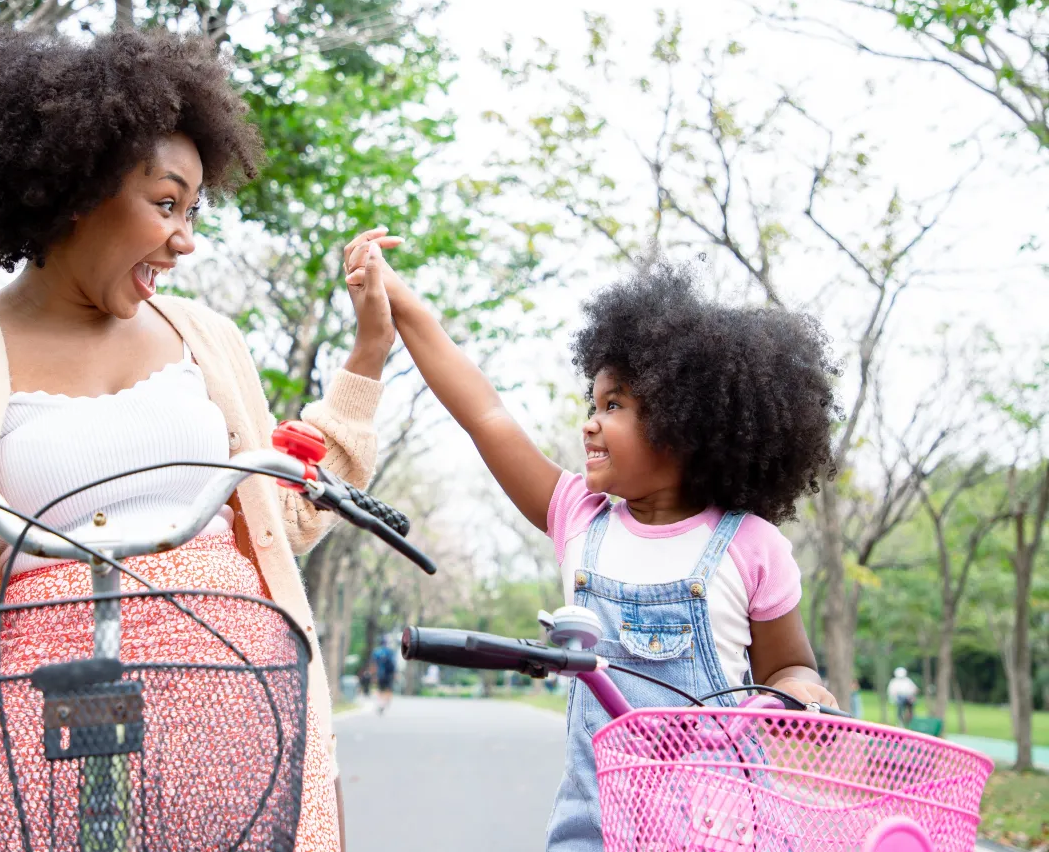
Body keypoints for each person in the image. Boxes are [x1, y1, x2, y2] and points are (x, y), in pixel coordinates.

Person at [0, 27, 399, 852]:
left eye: (193, 209)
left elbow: (282, 509)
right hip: (33, 738)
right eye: (165, 203)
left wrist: (367, 356)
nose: (186, 237)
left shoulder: (208, 335)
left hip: (243, 719)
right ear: (76, 186)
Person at [344, 246, 839, 851]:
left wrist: (799, 694)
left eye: (614, 406)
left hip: (722, 831)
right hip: (593, 830)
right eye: (592, 403)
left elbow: (790, 666)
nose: (589, 422)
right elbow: (485, 414)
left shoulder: (751, 546)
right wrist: (400, 301)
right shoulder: (579, 517)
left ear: (686, 425)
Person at [370, 634, 398, 713]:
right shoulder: (390, 651)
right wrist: (395, 674)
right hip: (389, 674)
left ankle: (381, 704)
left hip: (379, 674)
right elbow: (394, 664)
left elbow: (373, 664)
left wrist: (373, 675)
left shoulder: (376, 652)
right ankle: (386, 702)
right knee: (388, 689)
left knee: (380, 689)